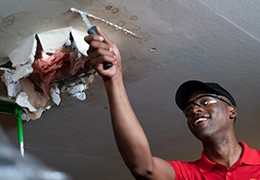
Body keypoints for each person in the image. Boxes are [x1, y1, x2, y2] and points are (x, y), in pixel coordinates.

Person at [84, 27, 260, 180]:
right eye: (189, 110)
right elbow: (144, 168)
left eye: (205, 101)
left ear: (232, 111)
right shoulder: (187, 174)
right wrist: (113, 79)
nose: (195, 110)